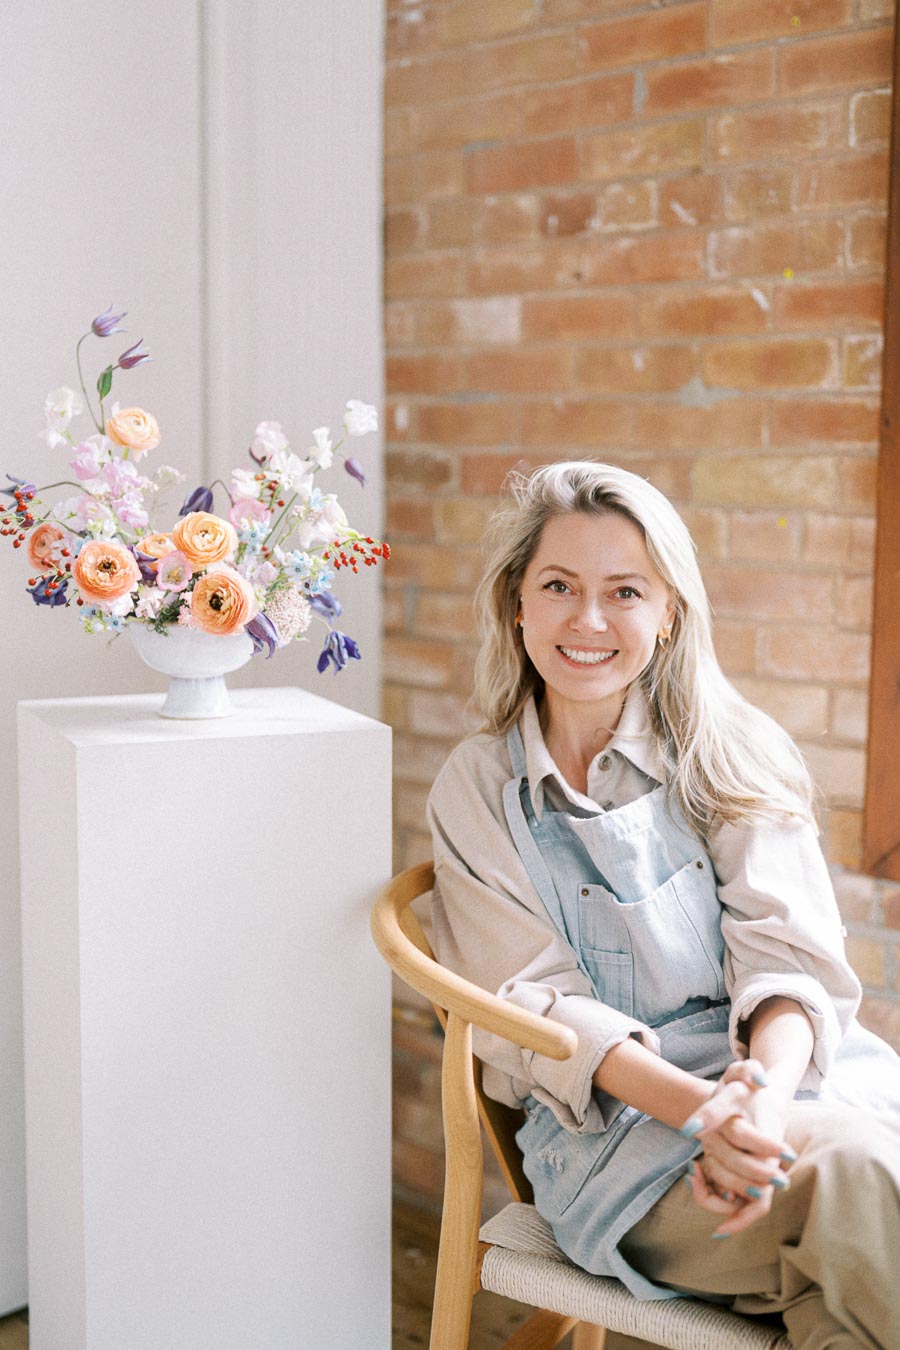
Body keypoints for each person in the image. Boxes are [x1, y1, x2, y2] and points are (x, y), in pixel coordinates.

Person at [426, 461, 900, 1349]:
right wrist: (704, 1114)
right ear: (516, 604)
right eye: (559, 586)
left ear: (668, 613)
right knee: (860, 1177)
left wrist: (753, 1106)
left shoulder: (733, 752)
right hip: (624, 1156)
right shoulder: (479, 788)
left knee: (842, 1306)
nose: (589, 621)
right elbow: (537, 1008)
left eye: (626, 592)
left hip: (785, 1101)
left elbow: (788, 963)